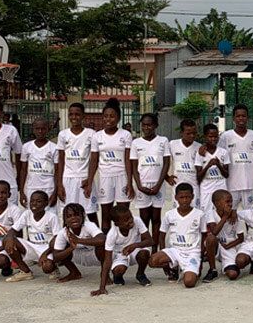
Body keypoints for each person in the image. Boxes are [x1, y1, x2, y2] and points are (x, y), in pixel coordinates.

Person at [86, 98, 134, 233]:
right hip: (105, 178)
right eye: (106, 116)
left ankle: (124, 241)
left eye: (112, 116)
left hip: (122, 176)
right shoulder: (97, 136)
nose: (108, 119)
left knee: (123, 214)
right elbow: (94, 161)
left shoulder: (126, 135)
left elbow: (128, 160)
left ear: (118, 118)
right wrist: (89, 182)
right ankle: (106, 242)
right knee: (105, 214)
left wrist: (130, 183)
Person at [149, 184, 206, 288]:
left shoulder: (199, 214)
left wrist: (201, 259)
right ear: (176, 197)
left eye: (187, 197)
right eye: (181, 197)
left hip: (192, 252)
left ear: (192, 197)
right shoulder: (169, 214)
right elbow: (162, 235)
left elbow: (204, 236)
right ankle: (173, 267)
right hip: (175, 251)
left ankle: (190, 269)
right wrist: (164, 252)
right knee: (152, 261)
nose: (185, 200)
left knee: (189, 283)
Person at [92, 204, 153, 296]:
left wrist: (135, 245)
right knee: (118, 270)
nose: (130, 220)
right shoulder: (112, 234)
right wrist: (102, 288)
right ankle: (118, 276)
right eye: (126, 220)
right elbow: (107, 261)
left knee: (144, 253)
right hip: (121, 254)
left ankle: (140, 274)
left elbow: (150, 241)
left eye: (130, 217)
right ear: (117, 224)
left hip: (136, 249)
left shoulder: (137, 221)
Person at [130, 113, 170, 252]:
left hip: (158, 185)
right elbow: (134, 166)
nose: (146, 128)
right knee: (144, 217)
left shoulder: (163, 141)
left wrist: (159, 185)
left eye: (149, 125)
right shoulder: (136, 143)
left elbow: (166, 163)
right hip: (142, 186)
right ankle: (145, 248)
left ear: (155, 125)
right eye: (144, 125)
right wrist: (139, 186)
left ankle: (154, 249)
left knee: (156, 218)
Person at [2, 190, 61, 282]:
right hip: (32, 246)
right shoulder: (27, 214)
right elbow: (13, 230)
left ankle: (54, 268)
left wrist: (45, 254)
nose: (34, 204)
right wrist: (9, 238)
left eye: (38, 201)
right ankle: (25, 272)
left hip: (47, 248)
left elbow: (57, 239)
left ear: (46, 203)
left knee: (47, 268)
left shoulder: (52, 217)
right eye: (32, 201)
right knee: (7, 240)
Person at [56, 103, 99, 226]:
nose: (74, 117)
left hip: (84, 179)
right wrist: (59, 184)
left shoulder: (91, 134)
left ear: (83, 116)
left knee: (90, 213)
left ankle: (97, 237)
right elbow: (60, 160)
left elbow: (94, 159)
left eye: (77, 114)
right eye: (71, 114)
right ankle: (67, 237)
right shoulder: (63, 134)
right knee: (68, 213)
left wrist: (89, 180)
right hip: (67, 180)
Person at [45, 203, 106, 282]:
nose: (73, 218)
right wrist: (70, 248)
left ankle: (105, 274)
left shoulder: (89, 225)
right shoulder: (63, 232)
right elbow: (56, 257)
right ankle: (74, 273)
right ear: (65, 220)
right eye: (69, 216)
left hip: (95, 256)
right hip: (77, 256)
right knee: (59, 246)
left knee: (102, 246)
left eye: (76, 215)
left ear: (83, 216)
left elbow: (102, 239)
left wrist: (78, 240)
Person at [219, 104, 253, 210]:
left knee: (250, 214)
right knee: (229, 212)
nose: (241, 118)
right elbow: (217, 153)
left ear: (248, 118)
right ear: (233, 118)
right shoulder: (226, 136)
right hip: (232, 184)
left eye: (243, 116)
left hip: (250, 184)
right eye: (238, 116)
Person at [19, 118, 59, 211]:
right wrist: (21, 192)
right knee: (32, 215)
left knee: (49, 215)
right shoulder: (26, 147)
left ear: (48, 129)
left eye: (43, 128)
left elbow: (57, 171)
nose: (40, 131)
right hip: (31, 188)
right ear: (33, 129)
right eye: (37, 129)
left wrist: (55, 193)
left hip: (48, 187)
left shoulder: (54, 147)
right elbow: (23, 170)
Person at [205, 190, 245, 281]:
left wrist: (228, 246)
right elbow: (214, 232)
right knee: (211, 238)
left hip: (229, 246)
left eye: (231, 201)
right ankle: (212, 269)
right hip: (216, 245)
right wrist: (225, 216)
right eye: (227, 201)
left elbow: (241, 238)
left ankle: (226, 265)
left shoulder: (235, 216)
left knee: (233, 274)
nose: (230, 204)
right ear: (217, 203)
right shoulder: (211, 213)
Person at [195, 123, 229, 212]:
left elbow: (226, 175)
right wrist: (208, 166)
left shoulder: (223, 152)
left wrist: (218, 165)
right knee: (206, 216)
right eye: (210, 136)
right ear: (205, 137)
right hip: (206, 191)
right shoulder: (200, 153)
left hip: (220, 189)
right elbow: (198, 177)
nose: (213, 139)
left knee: (221, 213)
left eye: (216, 136)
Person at [167, 119, 202, 208]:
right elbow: (162, 161)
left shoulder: (199, 147)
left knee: (194, 212)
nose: (192, 136)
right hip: (177, 186)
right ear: (181, 133)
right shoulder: (172, 144)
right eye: (188, 133)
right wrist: (167, 177)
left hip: (194, 187)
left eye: (194, 133)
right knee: (178, 212)